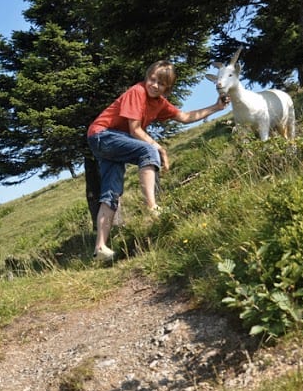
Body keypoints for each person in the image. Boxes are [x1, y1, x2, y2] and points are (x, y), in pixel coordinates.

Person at [87, 60, 228, 261]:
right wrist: (159, 147)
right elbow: (135, 129)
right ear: (147, 78)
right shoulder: (137, 92)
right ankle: (152, 207)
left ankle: (100, 247)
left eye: (160, 84)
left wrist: (216, 107)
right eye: (152, 80)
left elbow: (185, 116)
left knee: (111, 193)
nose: (154, 85)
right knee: (148, 150)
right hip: (103, 135)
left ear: (166, 88)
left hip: (112, 143)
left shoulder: (160, 103)